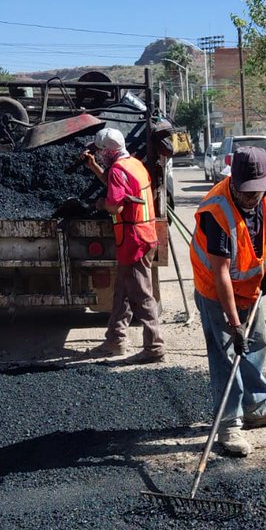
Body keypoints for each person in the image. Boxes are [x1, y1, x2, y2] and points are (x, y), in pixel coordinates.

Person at [191, 146, 266, 457]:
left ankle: (257, 408)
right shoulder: (216, 211)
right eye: (245, 193)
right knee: (226, 354)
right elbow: (221, 273)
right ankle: (229, 424)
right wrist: (234, 325)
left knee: (257, 343)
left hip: (251, 284)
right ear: (231, 182)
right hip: (215, 289)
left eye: (256, 193)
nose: (252, 199)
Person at [82, 126, 164, 363]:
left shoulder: (119, 170)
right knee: (122, 293)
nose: (99, 155)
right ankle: (115, 340)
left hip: (133, 239)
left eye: (100, 152)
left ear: (108, 151)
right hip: (144, 235)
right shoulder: (134, 164)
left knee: (143, 295)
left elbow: (114, 205)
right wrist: (94, 168)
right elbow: (114, 183)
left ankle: (154, 347)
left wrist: (100, 204)